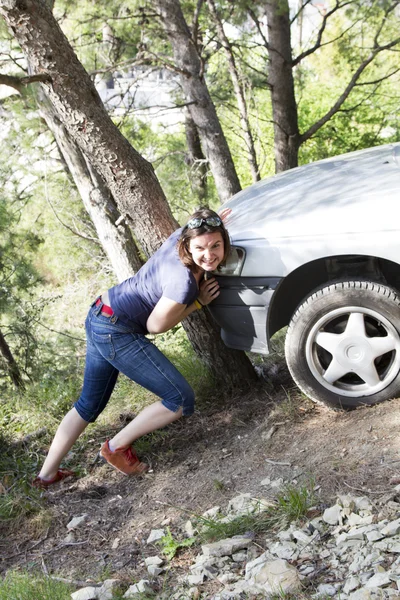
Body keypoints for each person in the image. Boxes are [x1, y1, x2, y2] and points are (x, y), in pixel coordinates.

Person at [33, 208, 231, 486]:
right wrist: (198, 303)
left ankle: (46, 476)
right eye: (200, 248)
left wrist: (219, 219)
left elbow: (205, 229)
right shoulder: (183, 283)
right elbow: (155, 325)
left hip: (100, 313)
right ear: (187, 244)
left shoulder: (181, 236)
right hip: (116, 330)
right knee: (179, 399)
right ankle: (115, 447)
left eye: (216, 245)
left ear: (224, 239)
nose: (208, 254)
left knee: (88, 405)